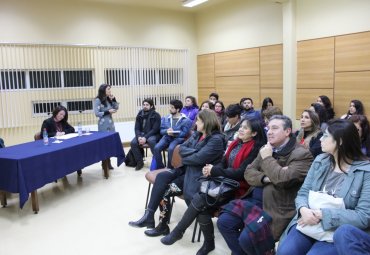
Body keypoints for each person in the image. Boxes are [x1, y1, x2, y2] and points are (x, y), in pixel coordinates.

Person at [160, 118, 267, 255]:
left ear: (254, 134)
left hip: (238, 189)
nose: (240, 129)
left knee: (199, 201)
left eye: (245, 128)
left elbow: (241, 173)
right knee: (201, 204)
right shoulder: (236, 143)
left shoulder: (255, 149)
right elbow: (223, 162)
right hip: (223, 184)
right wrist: (211, 169)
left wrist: (214, 171)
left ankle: (183, 233)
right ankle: (205, 242)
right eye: (241, 127)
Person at [217, 115, 313, 255]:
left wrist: (268, 158)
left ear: (287, 131)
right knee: (224, 222)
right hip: (254, 200)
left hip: (276, 207)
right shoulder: (267, 148)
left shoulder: (301, 154)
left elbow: (283, 180)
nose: (269, 132)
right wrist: (267, 178)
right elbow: (248, 173)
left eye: (275, 128)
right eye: (268, 128)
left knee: (246, 239)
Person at [277, 119, 370, 255]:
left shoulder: (365, 171)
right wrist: (303, 209)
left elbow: (363, 216)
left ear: (340, 141)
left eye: (326, 136)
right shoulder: (321, 161)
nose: (321, 139)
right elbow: (303, 193)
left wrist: (323, 215)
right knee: (285, 252)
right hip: (310, 222)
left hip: (338, 229)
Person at [128, 110, 225, 239]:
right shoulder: (197, 134)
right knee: (162, 177)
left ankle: (159, 224)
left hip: (198, 178)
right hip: (187, 171)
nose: (195, 123)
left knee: (166, 191)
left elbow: (198, 159)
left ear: (206, 122)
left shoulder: (216, 139)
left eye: (198, 121)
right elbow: (181, 148)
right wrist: (194, 153)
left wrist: (190, 156)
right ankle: (150, 217)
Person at [153, 99, 192, 169]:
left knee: (171, 149)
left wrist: (174, 133)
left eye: (172, 107)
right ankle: (160, 167)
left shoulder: (186, 120)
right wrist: (166, 131)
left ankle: (170, 168)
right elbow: (161, 130)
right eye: (170, 107)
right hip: (167, 137)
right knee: (156, 148)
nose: (170, 109)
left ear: (178, 109)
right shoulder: (166, 118)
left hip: (178, 138)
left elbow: (185, 133)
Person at [130, 98, 161, 170]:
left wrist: (145, 138)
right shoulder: (140, 114)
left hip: (153, 134)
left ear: (151, 106)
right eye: (144, 104)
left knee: (151, 140)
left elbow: (155, 129)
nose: (145, 106)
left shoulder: (156, 115)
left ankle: (158, 162)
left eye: (147, 105)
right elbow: (137, 128)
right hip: (142, 134)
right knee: (133, 143)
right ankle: (140, 162)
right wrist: (138, 137)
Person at [94, 83, 119, 169]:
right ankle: (104, 163)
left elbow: (116, 108)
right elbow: (97, 113)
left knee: (110, 144)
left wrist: (114, 99)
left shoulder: (108, 99)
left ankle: (109, 162)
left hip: (110, 124)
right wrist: (108, 111)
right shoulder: (98, 100)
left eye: (110, 89)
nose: (110, 91)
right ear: (103, 90)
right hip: (103, 125)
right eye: (108, 89)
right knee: (104, 144)